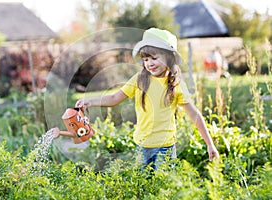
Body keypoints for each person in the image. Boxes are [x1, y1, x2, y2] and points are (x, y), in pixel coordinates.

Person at [55, 28, 219, 170]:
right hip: (142, 147)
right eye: (146, 59)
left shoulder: (175, 84)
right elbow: (114, 98)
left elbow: (194, 115)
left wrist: (210, 144)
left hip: (166, 148)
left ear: (169, 58)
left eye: (154, 58)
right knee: (143, 186)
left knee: (164, 187)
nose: (149, 63)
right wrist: (90, 101)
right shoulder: (139, 80)